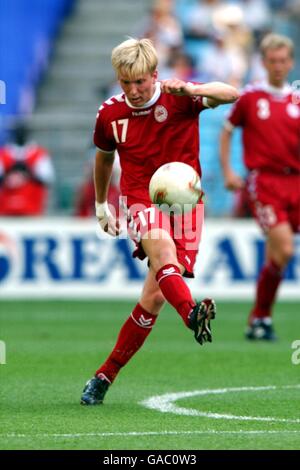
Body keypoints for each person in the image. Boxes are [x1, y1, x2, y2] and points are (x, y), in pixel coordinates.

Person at [81, 37, 239, 405]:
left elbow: (231, 94)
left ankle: (104, 376)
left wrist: (191, 88)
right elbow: (104, 158)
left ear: (155, 74)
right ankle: (192, 313)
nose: (133, 90)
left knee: (152, 298)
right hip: (141, 199)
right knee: (163, 252)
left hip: (186, 206)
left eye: (140, 82)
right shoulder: (109, 114)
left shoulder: (179, 97)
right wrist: (103, 204)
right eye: (125, 82)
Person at [220, 33, 300, 341]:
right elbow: (226, 132)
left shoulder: (295, 100)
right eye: (272, 61)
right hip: (264, 181)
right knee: (285, 248)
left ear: (290, 62)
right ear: (264, 62)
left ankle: (259, 320)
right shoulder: (250, 98)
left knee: (277, 258)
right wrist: (228, 170)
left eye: (283, 61)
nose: (278, 66)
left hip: (296, 180)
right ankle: (260, 317)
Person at [0, 123, 55, 215]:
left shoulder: (39, 154)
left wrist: (26, 175)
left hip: (32, 209)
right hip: (5, 210)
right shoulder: (4, 154)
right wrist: (10, 177)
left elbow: (47, 179)